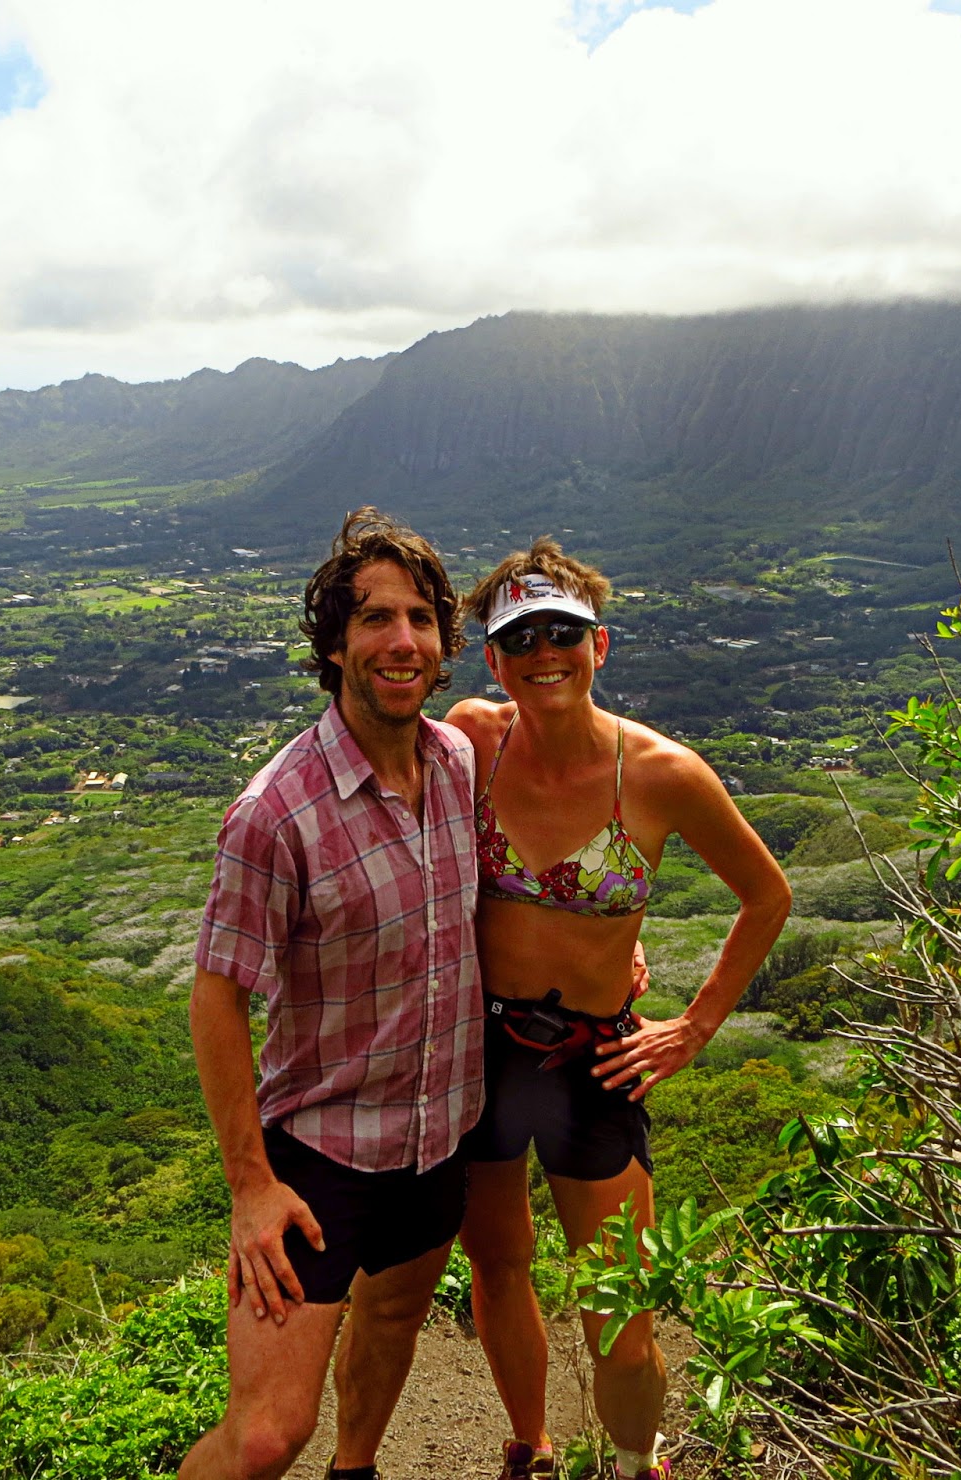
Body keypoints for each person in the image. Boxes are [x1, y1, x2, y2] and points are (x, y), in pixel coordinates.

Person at [446, 542, 792, 1480]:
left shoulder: (663, 773)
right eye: (521, 637)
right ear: (494, 658)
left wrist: (696, 1026)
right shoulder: (473, 736)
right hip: (477, 1049)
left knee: (622, 1308)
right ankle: (531, 1443)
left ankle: (640, 1464)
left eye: (563, 632)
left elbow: (767, 897)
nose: (543, 652)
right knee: (499, 1261)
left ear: (602, 645)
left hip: (593, 1061)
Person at [179, 507, 483, 1480]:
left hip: (438, 1137)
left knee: (395, 1317)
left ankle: (359, 1469)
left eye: (420, 619)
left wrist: (621, 949)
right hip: (316, 1161)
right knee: (267, 1433)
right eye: (373, 618)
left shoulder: (460, 766)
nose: (400, 640)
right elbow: (217, 995)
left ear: (442, 645)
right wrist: (249, 1186)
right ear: (334, 644)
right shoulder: (277, 812)